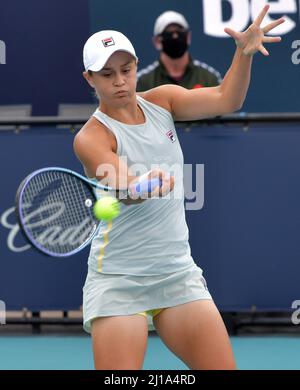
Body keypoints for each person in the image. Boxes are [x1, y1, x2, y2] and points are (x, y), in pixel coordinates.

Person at [74, 5, 284, 370]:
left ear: (137, 65)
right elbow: (122, 184)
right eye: (107, 74)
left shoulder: (163, 101)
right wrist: (141, 183)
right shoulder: (90, 137)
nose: (120, 81)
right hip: (119, 279)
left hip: (177, 272)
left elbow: (227, 99)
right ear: (89, 79)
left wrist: (243, 55)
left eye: (126, 70)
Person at [137, 10, 222, 92]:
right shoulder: (143, 82)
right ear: (157, 41)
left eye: (179, 31)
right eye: (168, 33)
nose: (175, 36)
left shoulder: (209, 77)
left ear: (188, 37)